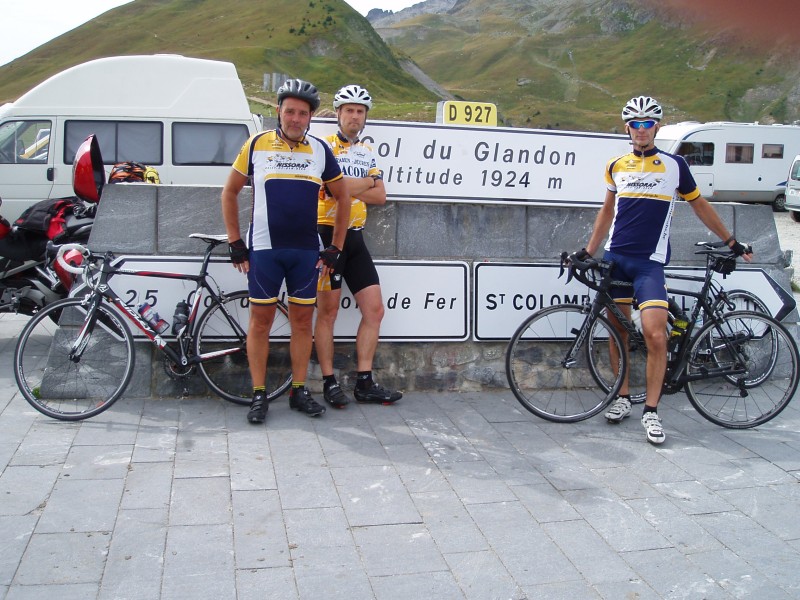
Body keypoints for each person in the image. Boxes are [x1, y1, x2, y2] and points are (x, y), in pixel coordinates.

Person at [577, 95, 752, 445]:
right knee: (618, 332)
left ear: (656, 127)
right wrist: (588, 250)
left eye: (648, 124)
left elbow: (700, 207)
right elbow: (606, 211)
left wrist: (732, 242)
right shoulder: (616, 165)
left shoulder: (675, 166)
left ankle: (652, 412)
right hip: (617, 259)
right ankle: (623, 398)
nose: (641, 130)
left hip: (649, 264)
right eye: (635, 124)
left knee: (657, 334)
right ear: (627, 128)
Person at [221, 78, 351, 424]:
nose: (295, 118)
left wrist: (335, 248)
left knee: (301, 323)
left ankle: (298, 390)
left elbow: (343, 198)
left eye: (303, 113)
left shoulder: (320, 150)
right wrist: (236, 242)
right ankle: (260, 393)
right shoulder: (256, 144)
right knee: (260, 323)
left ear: (310, 117)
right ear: (279, 111)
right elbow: (229, 192)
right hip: (264, 250)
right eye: (289, 111)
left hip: (306, 252)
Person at [314, 84, 402, 407]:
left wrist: (348, 188)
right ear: (338, 113)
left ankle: (364, 382)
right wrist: (364, 183)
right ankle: (328, 382)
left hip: (355, 237)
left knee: (375, 309)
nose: (355, 116)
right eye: (349, 110)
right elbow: (327, 186)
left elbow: (380, 196)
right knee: (328, 312)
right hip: (326, 236)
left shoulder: (366, 151)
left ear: (365, 117)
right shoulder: (324, 147)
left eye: (360, 111)